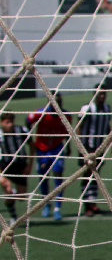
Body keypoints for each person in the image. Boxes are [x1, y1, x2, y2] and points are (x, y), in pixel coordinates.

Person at [27, 92, 72, 221]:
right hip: (42, 149)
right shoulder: (40, 113)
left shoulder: (66, 115)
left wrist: (68, 146)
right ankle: (46, 203)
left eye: (58, 101)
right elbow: (28, 119)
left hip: (57, 148)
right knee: (43, 177)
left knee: (58, 176)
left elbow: (68, 131)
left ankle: (57, 208)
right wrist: (28, 135)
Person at [76, 87, 112, 217]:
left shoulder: (107, 108)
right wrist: (80, 146)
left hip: (99, 147)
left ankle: (93, 204)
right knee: (87, 175)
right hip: (87, 147)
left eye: (104, 93)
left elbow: (107, 126)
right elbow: (79, 126)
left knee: (95, 175)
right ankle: (87, 206)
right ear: (95, 94)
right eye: (100, 93)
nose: (102, 96)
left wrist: (110, 141)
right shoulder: (87, 108)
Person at [1, 112, 32, 221]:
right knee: (7, 190)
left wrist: (30, 164)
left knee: (22, 196)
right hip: (5, 166)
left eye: (11, 122)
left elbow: (32, 145)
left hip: (20, 165)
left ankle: (13, 195)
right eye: (7, 122)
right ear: (1, 123)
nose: (10, 125)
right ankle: (13, 216)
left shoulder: (21, 130)